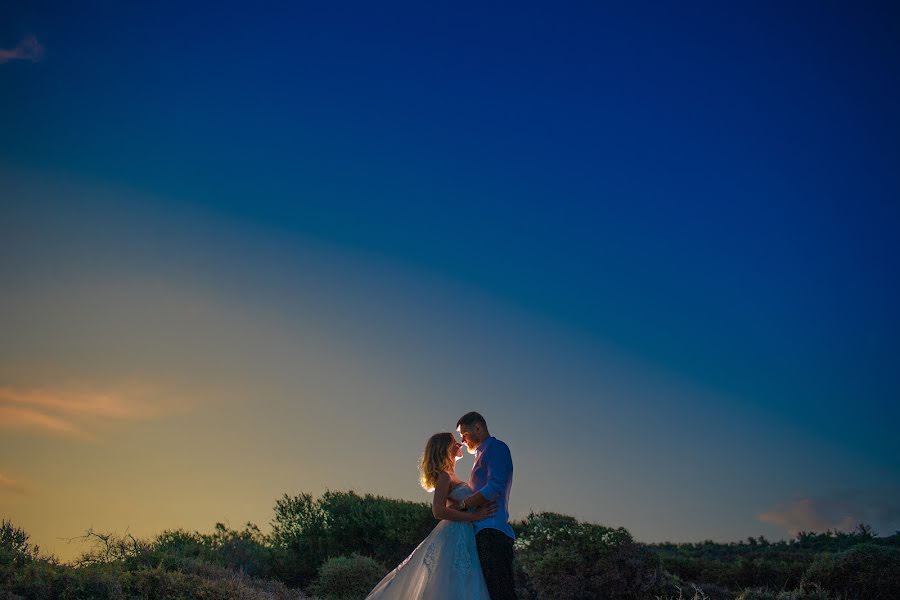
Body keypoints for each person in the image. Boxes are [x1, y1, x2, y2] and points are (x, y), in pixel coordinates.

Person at [366, 432, 496, 599]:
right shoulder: (444, 476)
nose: (460, 444)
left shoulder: (451, 475)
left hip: (464, 533)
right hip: (455, 533)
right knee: (452, 581)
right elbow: (438, 511)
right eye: (454, 443)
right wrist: (474, 517)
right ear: (444, 449)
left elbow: (454, 505)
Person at [456, 411, 517, 600]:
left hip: (492, 532)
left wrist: (463, 505)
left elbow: (495, 486)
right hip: (482, 533)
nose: (463, 441)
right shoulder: (481, 455)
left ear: (478, 428)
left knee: (501, 593)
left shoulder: (497, 448)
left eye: (464, 434)